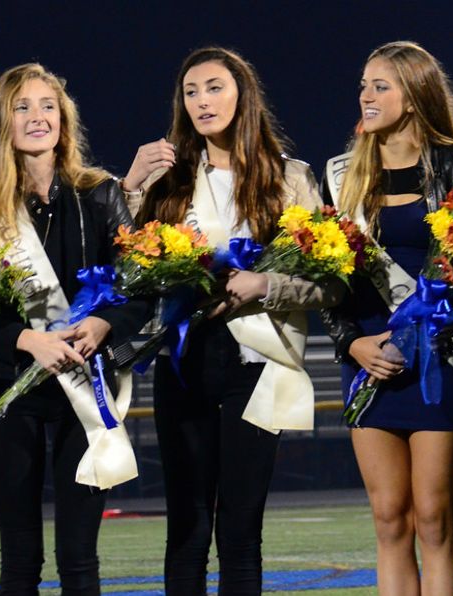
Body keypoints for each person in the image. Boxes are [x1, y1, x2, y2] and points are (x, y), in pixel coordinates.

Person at [123, 46, 343, 595]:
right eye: (191, 92)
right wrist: (130, 188)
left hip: (258, 365)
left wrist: (265, 284)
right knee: (188, 529)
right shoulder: (166, 180)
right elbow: (125, 271)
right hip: (185, 361)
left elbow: (331, 281)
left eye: (214, 87)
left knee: (242, 532)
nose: (202, 101)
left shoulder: (289, 178)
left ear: (243, 93)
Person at [0, 63, 149, 595]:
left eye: (48, 105)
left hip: (84, 389)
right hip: (8, 389)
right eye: (23, 107)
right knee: (19, 559)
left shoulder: (102, 195)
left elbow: (140, 290)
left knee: (79, 558)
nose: (38, 117)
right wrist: (25, 338)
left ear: (64, 117)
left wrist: (106, 323)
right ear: (1, 122)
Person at [319, 41, 453, 595]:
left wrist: (438, 336)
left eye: (381, 86)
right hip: (368, 358)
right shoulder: (345, 173)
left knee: (433, 517)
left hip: (436, 357)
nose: (366, 96)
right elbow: (329, 278)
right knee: (389, 517)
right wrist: (351, 344)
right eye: (364, 85)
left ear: (415, 95)